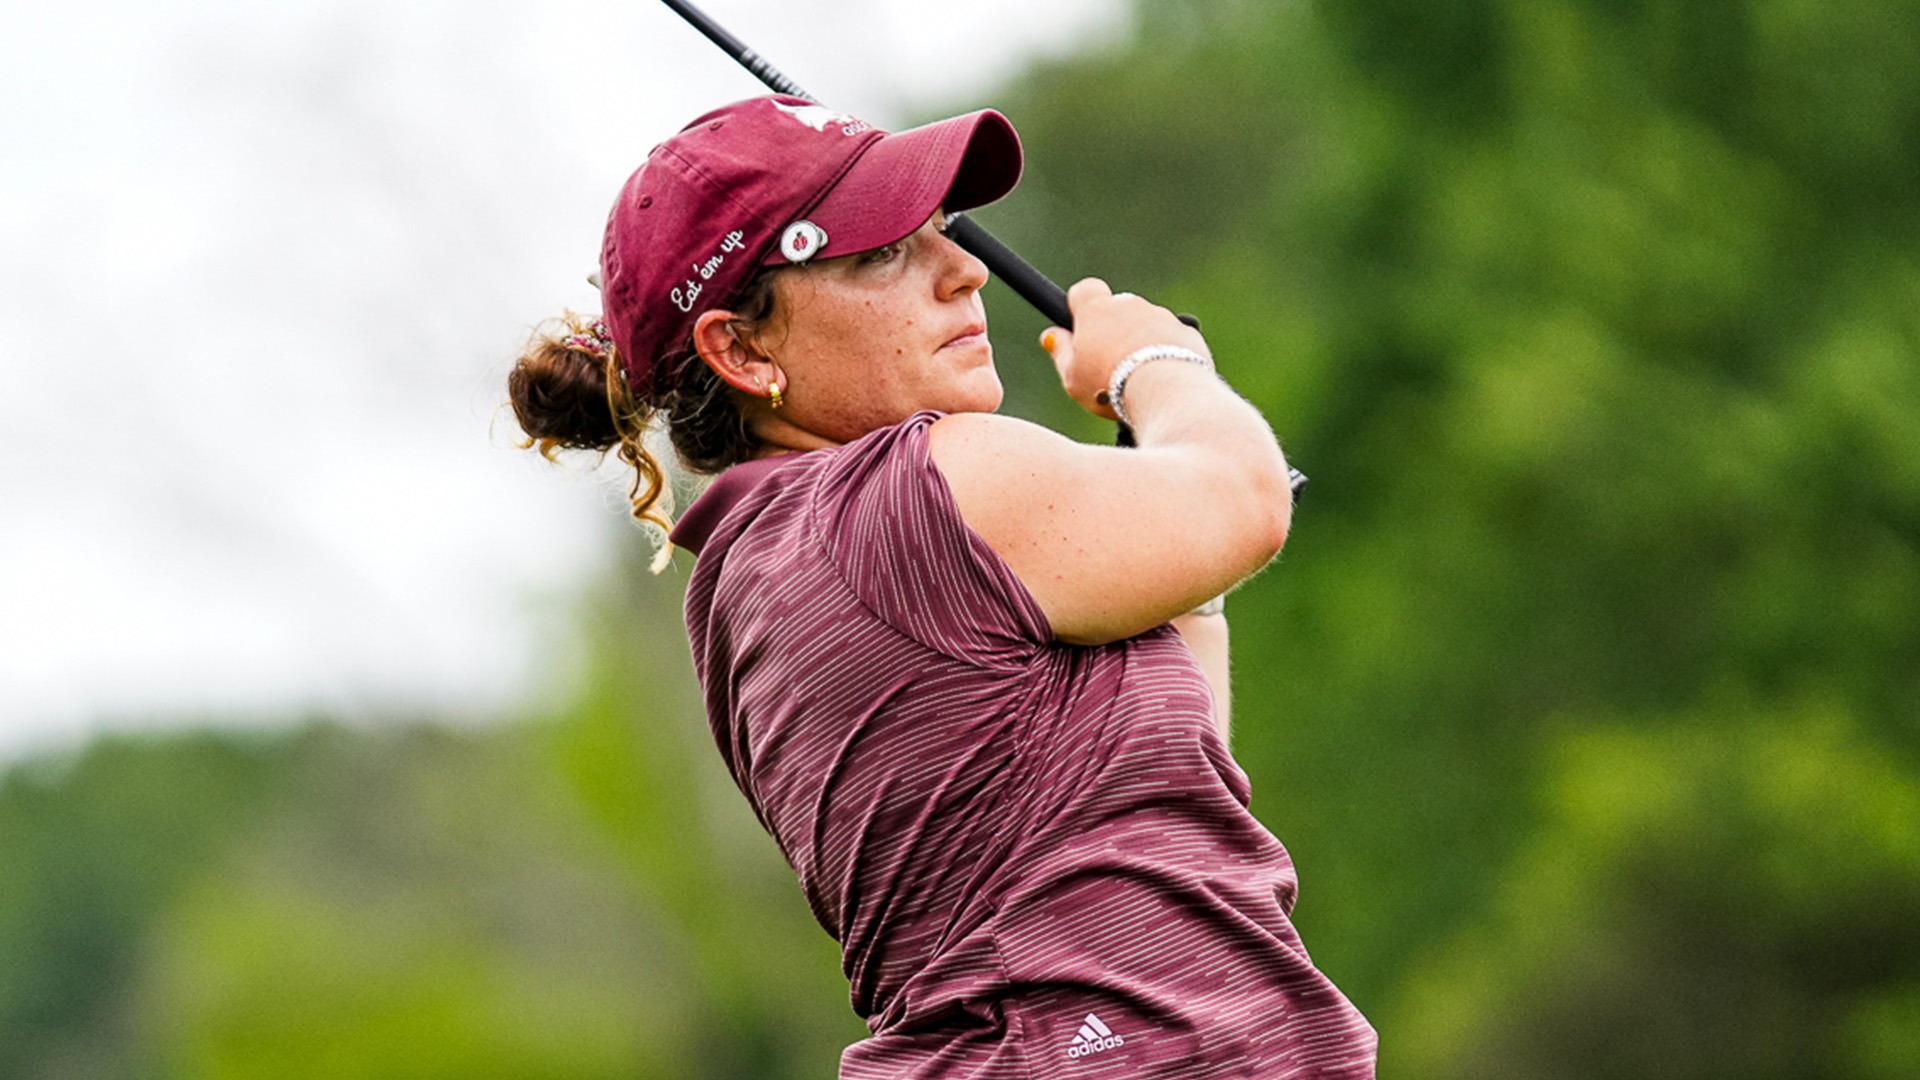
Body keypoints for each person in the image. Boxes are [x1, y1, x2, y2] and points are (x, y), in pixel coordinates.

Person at [507, 94, 1376, 1079]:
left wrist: (1163, 524)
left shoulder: (758, 571)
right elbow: (1247, 501)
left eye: (939, 235)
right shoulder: (921, 486)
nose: (963, 271)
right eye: (881, 253)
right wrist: (1160, 366)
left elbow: (1169, 799)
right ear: (740, 351)